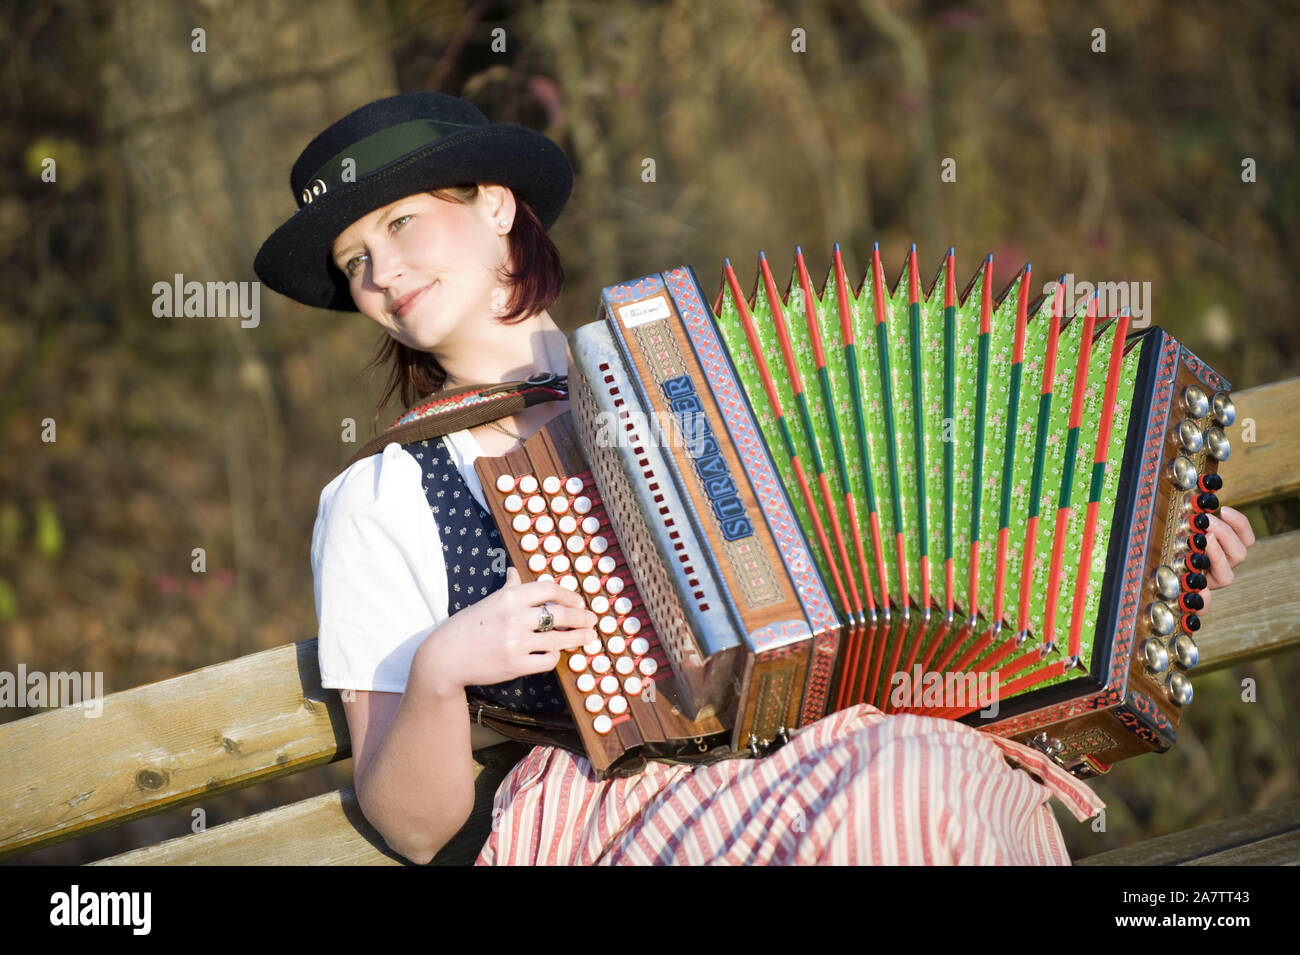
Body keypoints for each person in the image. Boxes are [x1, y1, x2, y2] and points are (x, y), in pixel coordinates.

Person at [254, 92, 1257, 865]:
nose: (378, 271)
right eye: (351, 261)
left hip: (866, 746)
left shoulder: (719, 375)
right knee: (906, 793)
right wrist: (439, 670)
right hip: (626, 814)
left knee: (922, 777)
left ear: (496, 207)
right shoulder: (381, 500)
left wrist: (1148, 550)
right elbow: (413, 828)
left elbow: (946, 542)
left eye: (400, 225)